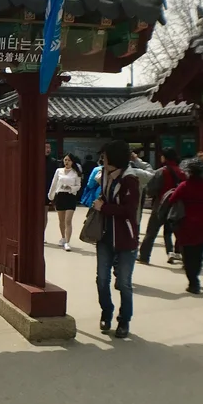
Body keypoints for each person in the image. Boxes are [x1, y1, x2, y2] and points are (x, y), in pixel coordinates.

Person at [93, 139, 140, 339]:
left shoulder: (130, 179)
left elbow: (129, 210)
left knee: (124, 283)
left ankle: (124, 320)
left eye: (104, 156)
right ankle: (107, 312)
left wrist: (104, 207)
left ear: (114, 158)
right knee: (102, 279)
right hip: (105, 236)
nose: (102, 159)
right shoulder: (104, 175)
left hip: (125, 238)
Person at [169, 159, 203, 294]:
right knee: (199, 253)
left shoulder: (184, 185)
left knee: (187, 253)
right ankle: (195, 277)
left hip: (186, 223)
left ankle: (193, 282)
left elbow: (172, 200)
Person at [138, 148, 185, 265]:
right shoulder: (182, 172)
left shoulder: (161, 172)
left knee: (151, 232)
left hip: (161, 205)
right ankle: (186, 259)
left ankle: (144, 256)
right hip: (177, 208)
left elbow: (151, 190)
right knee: (179, 234)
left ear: (165, 157)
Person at [47, 153, 82, 251]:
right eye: (65, 160)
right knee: (61, 220)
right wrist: (51, 195)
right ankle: (63, 237)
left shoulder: (76, 172)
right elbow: (54, 183)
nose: (67, 162)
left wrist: (71, 188)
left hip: (70, 196)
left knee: (68, 220)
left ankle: (67, 242)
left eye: (69, 160)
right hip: (60, 196)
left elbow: (78, 186)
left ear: (72, 162)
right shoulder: (59, 171)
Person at [44, 144, 61, 233]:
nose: (48, 149)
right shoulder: (35, 160)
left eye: (49, 147)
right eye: (45, 147)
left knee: (44, 212)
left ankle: (42, 234)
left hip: (48, 190)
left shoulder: (53, 162)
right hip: (36, 190)